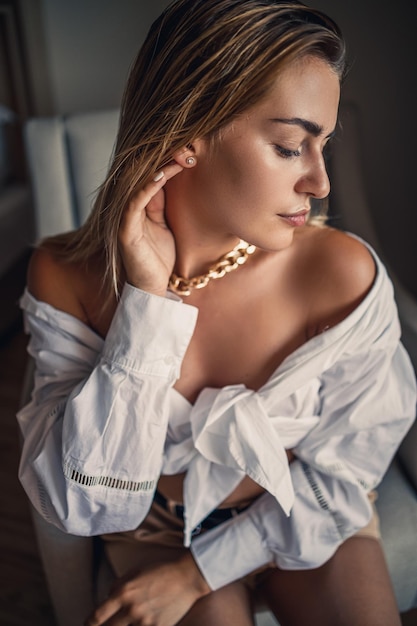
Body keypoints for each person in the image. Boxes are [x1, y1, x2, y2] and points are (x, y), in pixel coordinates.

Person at [17, 0, 416, 625]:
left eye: (323, 146)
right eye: (290, 147)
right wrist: (148, 304)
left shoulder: (339, 275)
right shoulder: (65, 277)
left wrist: (196, 574)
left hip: (297, 509)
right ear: (187, 136)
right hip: (153, 526)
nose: (321, 182)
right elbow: (81, 505)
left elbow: (346, 470)